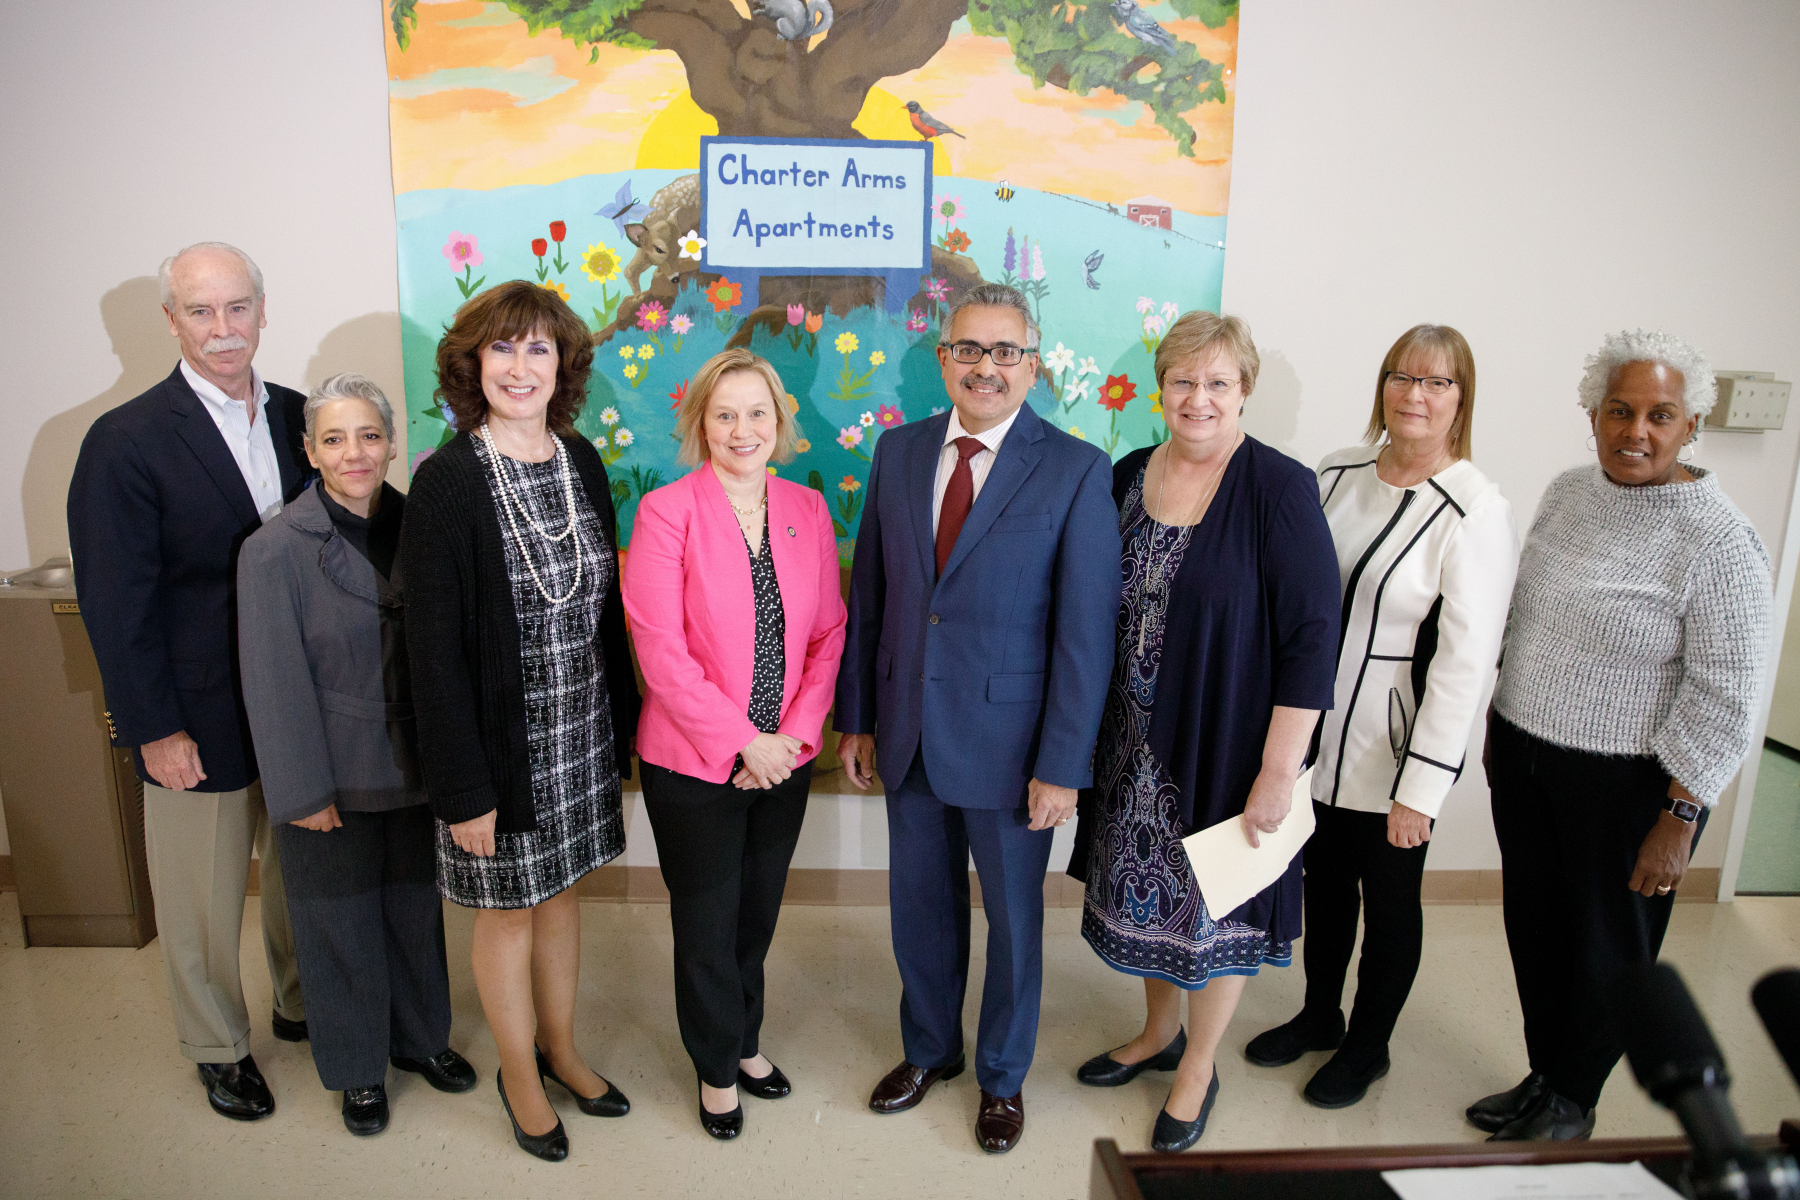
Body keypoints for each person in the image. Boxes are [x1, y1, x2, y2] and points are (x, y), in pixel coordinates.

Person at [835, 282, 1121, 1155]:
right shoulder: (899, 452)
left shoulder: (1075, 469)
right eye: (969, 349)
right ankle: (930, 1049)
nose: (985, 367)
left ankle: (1002, 1075)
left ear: (1031, 366)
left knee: (1013, 924)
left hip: (1014, 749)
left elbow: (1085, 636)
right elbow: (873, 597)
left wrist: (1063, 765)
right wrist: (859, 718)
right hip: (909, 732)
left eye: (1005, 352)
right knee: (920, 910)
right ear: (943, 358)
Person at [1470, 330, 1771, 1141]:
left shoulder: (1719, 540)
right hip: (1528, 758)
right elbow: (1524, 615)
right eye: (1619, 410)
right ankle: (1544, 1073)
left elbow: (1728, 693)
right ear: (1593, 415)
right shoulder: (1569, 493)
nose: (1636, 431)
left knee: (1608, 948)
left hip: (1632, 786)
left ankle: (1575, 1098)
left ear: (1692, 425)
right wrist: (1500, 715)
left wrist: (1681, 816)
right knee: (1537, 931)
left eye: (1660, 415)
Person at [1068, 310, 1340, 1153]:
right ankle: (1159, 1034)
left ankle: (1198, 1066)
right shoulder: (1125, 475)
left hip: (1226, 740)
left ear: (1244, 390)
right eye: (1183, 380)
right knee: (1147, 902)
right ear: (1161, 389)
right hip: (1128, 741)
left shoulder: (1278, 488)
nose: (1199, 398)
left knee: (1215, 908)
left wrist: (1278, 769)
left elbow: (1312, 638)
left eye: (1218, 382)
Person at [1245, 325, 1518, 1108]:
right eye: (1402, 376)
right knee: (1324, 884)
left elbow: (1465, 664)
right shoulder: (1336, 473)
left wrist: (1422, 789)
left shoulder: (1474, 509)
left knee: (1390, 903)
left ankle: (1369, 1048)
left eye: (1437, 382)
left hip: (1392, 748)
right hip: (1312, 735)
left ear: (1462, 399)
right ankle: (1320, 1015)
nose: (1415, 394)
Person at [66, 242, 309, 1121]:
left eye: (237, 307)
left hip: (295, 699)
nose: (222, 328)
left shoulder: (300, 417)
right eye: (200, 311)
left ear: (262, 311)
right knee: (201, 896)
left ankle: (300, 1003)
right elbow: (115, 604)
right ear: (171, 321)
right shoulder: (124, 441)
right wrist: (153, 728)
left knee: (301, 870)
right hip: (194, 712)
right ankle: (217, 1047)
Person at [398, 281, 640, 1162]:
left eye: (539, 348)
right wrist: (463, 789)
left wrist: (621, 733)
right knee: (507, 914)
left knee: (562, 895)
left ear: (562, 365)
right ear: (472, 364)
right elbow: (431, 655)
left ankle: (562, 1050)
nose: (519, 366)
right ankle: (519, 1075)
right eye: (501, 348)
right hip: (498, 751)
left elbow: (604, 612)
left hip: (580, 734)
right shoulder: (447, 482)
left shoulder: (580, 460)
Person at [237, 375, 478, 1136]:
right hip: (329, 775)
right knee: (336, 926)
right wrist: (302, 792)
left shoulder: (424, 528)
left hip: (415, 764)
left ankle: (420, 1038)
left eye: (370, 435)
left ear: (392, 444)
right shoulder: (273, 551)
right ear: (309, 451)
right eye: (334, 439)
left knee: (414, 912)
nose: (355, 453)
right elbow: (273, 684)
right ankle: (356, 1070)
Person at [622, 349, 847, 1140]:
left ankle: (745, 1040)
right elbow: (660, 651)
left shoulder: (806, 508)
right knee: (707, 925)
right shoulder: (666, 512)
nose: (741, 429)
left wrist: (792, 738)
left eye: (757, 413)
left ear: (779, 422)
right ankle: (716, 1068)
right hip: (693, 764)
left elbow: (827, 635)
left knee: (755, 917)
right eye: (724, 414)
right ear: (701, 424)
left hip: (785, 759)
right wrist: (744, 742)